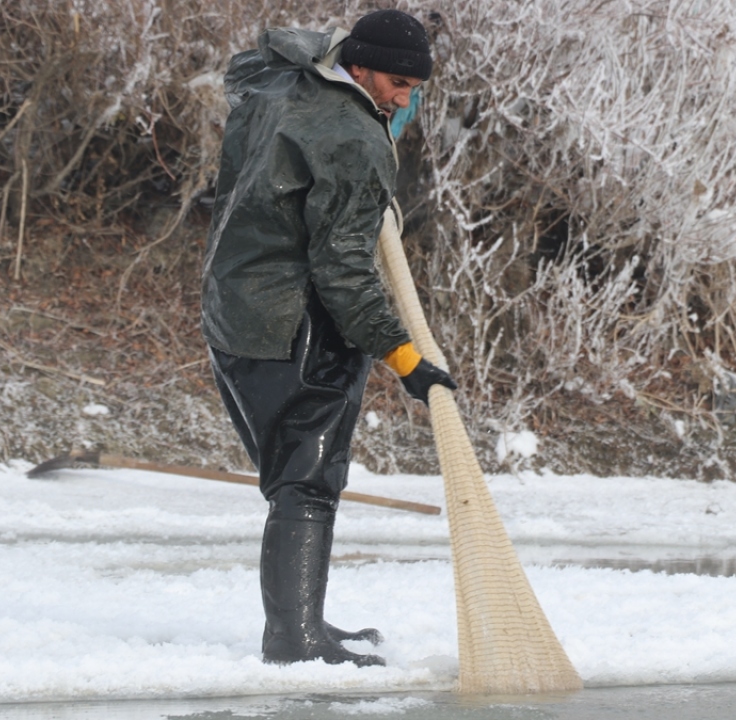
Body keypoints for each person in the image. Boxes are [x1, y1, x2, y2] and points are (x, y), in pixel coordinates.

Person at [201, 9, 457, 668]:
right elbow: (344, 274)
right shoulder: (350, 135)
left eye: (414, 89)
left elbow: (250, 67)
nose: (404, 101)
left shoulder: (279, 80)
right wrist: (405, 358)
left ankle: (303, 621)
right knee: (306, 483)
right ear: (360, 66)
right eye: (397, 85)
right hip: (296, 322)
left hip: (233, 305)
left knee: (293, 478)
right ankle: (295, 639)